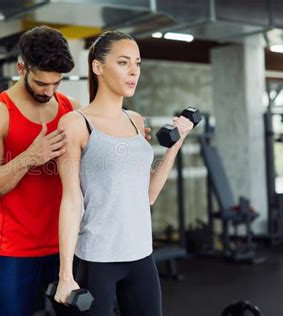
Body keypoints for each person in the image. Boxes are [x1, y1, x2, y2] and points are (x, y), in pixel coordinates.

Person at [54, 31, 194, 315]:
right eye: (123, 62)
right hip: (97, 259)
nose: (133, 71)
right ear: (98, 67)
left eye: (138, 63)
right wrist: (65, 275)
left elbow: (148, 195)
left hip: (141, 255)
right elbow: (71, 201)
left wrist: (175, 145)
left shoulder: (135, 120)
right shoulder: (75, 123)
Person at [0, 26, 81, 316]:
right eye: (42, 83)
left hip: (67, 246)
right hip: (18, 252)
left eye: (56, 83)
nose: (50, 91)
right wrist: (29, 157)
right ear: (22, 68)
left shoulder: (72, 110)